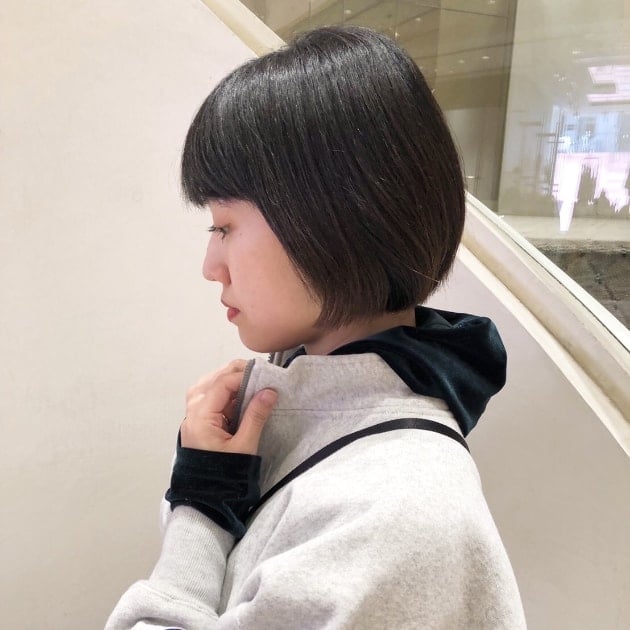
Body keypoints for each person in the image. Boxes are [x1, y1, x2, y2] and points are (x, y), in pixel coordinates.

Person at [107, 25, 525, 629]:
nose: (210, 266)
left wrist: (201, 506)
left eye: (224, 226)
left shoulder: (396, 514)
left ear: (334, 217)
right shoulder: (313, 424)